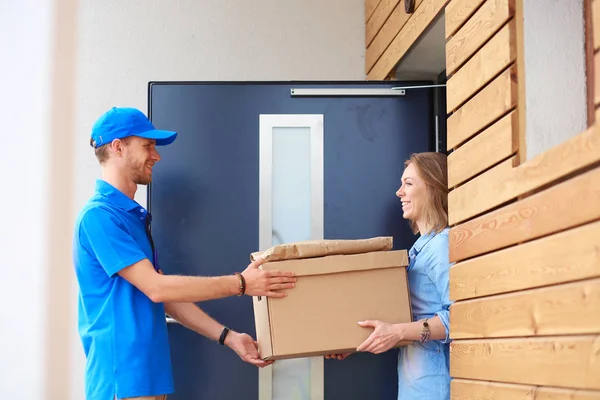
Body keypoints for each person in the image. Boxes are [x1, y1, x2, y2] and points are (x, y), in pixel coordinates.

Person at [73, 107, 297, 400]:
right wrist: (241, 284)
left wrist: (229, 338)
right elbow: (156, 288)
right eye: (148, 146)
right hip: (122, 380)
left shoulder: (130, 217)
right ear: (118, 147)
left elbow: (165, 295)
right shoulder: (100, 217)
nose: (157, 155)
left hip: (148, 380)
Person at [327, 152, 452, 399]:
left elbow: (461, 317)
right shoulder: (421, 248)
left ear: (433, 187)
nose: (399, 192)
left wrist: (397, 333)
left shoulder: (442, 246)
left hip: (435, 387)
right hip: (415, 382)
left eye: (408, 183)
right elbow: (403, 319)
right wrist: (357, 339)